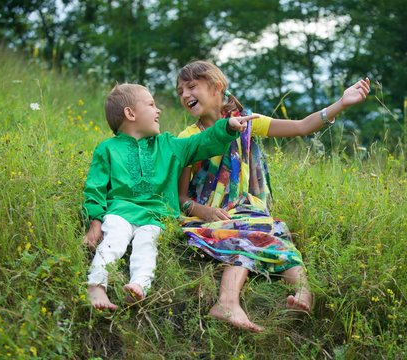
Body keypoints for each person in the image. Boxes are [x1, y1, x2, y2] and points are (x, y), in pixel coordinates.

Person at [176, 61, 370, 332]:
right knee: (248, 232)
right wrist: (204, 211)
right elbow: (181, 198)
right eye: (180, 91)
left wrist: (341, 103)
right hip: (212, 218)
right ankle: (227, 302)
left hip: (247, 212)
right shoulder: (187, 139)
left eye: (191, 86)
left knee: (278, 231)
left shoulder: (247, 124)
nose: (185, 94)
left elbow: (302, 126)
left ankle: (303, 294)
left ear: (217, 86)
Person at [82, 83, 257, 310]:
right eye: (151, 105)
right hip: (120, 212)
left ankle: (139, 286)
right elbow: (94, 187)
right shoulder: (107, 149)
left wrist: (228, 127)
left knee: (148, 245)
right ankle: (96, 286)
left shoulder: (169, 146)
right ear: (130, 113)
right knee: (113, 240)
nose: (158, 111)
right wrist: (95, 222)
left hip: (157, 217)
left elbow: (200, 142)